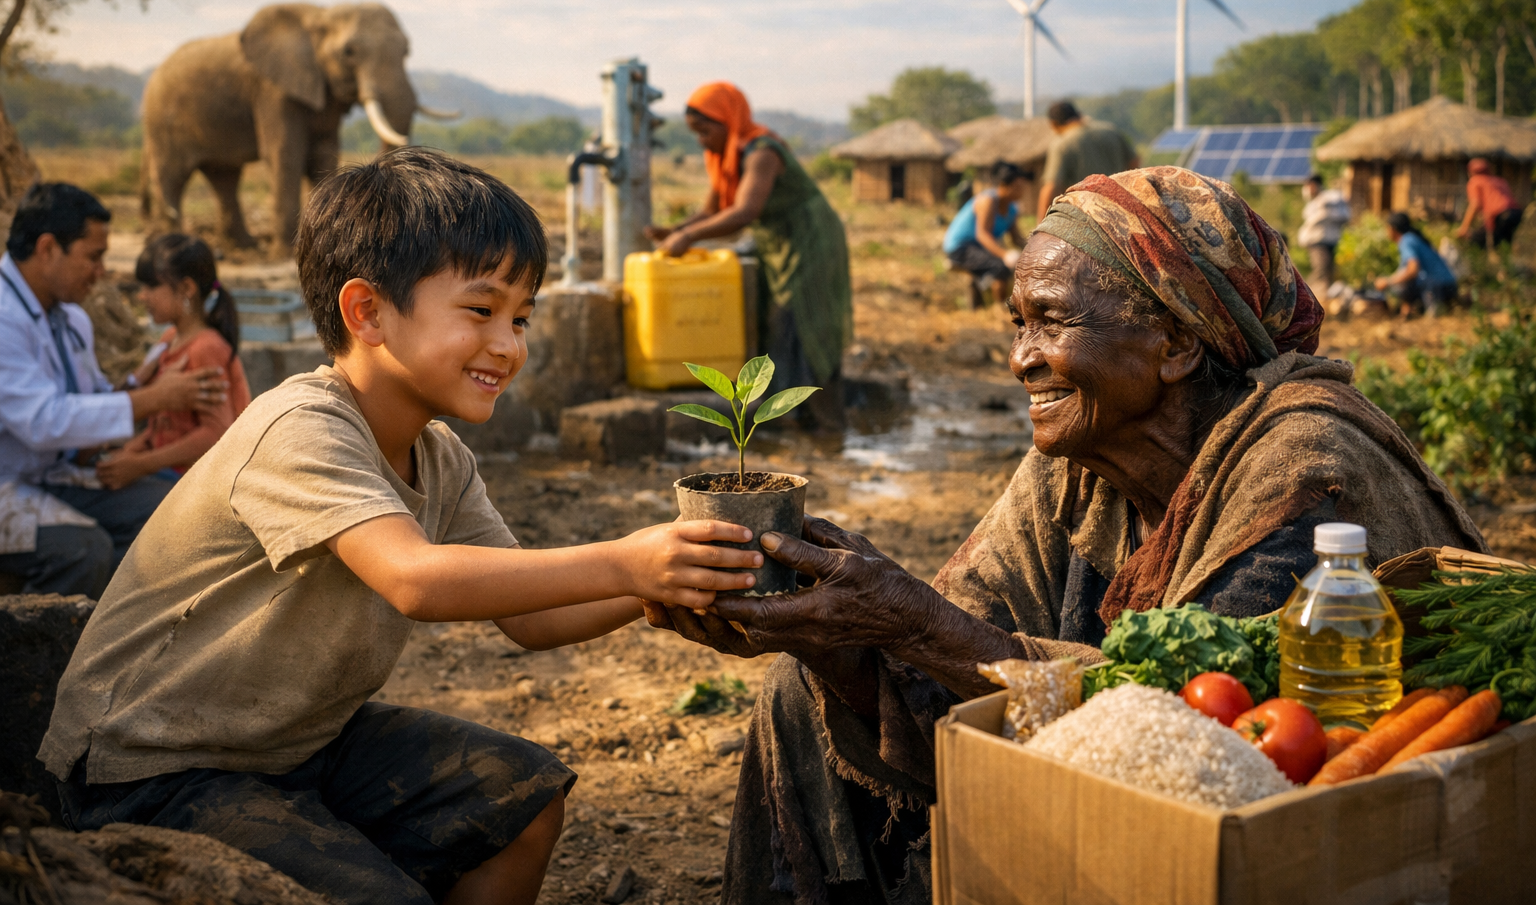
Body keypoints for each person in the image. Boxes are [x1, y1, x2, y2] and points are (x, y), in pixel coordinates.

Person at [647, 166, 1487, 905]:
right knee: (800, 694)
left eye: (1050, 321)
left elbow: (1196, 734)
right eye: (1018, 323)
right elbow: (958, 630)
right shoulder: (1083, 454)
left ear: (1176, 343)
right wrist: (833, 631)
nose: (1022, 358)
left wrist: (908, 622)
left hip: (1283, 843)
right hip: (1124, 788)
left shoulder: (1306, 468)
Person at [40, 148, 766, 905]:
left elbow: (536, 616)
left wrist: (677, 573)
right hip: (152, 764)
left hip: (295, 742)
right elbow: (413, 578)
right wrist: (627, 563)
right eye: (482, 311)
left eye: (521, 317)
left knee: (524, 804)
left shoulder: (438, 455)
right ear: (368, 312)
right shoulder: (299, 426)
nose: (509, 344)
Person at [0, 183, 228, 598]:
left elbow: (94, 397)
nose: (102, 271)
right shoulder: (4, 318)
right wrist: (154, 399)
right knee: (85, 551)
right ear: (48, 249)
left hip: (57, 472)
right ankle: (54, 649)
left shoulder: (69, 318)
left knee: (171, 511)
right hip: (10, 481)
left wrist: (141, 395)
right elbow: (44, 421)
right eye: (94, 257)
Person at [644, 82, 852, 431]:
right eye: (695, 133)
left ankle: (819, 419)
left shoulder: (761, 151)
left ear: (728, 120)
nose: (701, 141)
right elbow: (712, 209)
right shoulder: (727, 156)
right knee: (775, 319)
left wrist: (689, 236)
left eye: (705, 130)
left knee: (801, 320)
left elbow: (743, 212)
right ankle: (792, 415)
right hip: (777, 241)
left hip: (809, 238)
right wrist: (674, 230)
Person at [93, 234, 254, 490]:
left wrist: (142, 464)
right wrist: (131, 452)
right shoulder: (169, 340)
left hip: (198, 484)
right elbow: (167, 424)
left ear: (187, 289)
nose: (142, 297)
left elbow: (216, 434)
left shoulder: (205, 348)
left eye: (151, 287)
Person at [1035, 100, 1139, 220]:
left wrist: (1040, 225)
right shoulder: (1111, 131)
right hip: (1121, 209)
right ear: (1078, 114)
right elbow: (1134, 162)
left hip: (1086, 215)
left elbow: (1051, 186)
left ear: (1053, 124)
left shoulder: (1061, 144)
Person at [943, 162, 1029, 307]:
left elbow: (1016, 238)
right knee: (999, 267)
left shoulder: (1011, 209)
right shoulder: (988, 201)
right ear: (1003, 186)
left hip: (977, 248)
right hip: (960, 248)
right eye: (1017, 187)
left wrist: (1034, 251)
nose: (1021, 191)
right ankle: (1000, 308)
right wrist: (1004, 254)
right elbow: (982, 234)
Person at [1376, 212, 1459, 318]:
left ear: (1393, 229)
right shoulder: (1413, 238)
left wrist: (1388, 282)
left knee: (1405, 282)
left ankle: (1407, 311)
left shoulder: (1406, 241)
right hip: (1450, 286)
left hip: (1438, 287)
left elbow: (1413, 270)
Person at [1296, 173, 1351, 288]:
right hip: (1317, 242)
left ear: (1315, 185)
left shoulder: (1328, 200)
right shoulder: (1314, 203)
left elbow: (1342, 216)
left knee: (1326, 270)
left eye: (1309, 186)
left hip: (1326, 240)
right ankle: (1313, 292)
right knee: (1321, 269)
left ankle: (1316, 293)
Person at [1456, 157, 1523, 250]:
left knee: (1480, 239)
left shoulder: (1475, 181)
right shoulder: (1500, 181)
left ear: (1471, 171)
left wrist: (1464, 228)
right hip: (1517, 214)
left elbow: (1475, 204)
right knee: (1508, 240)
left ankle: (1490, 259)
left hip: (1501, 216)